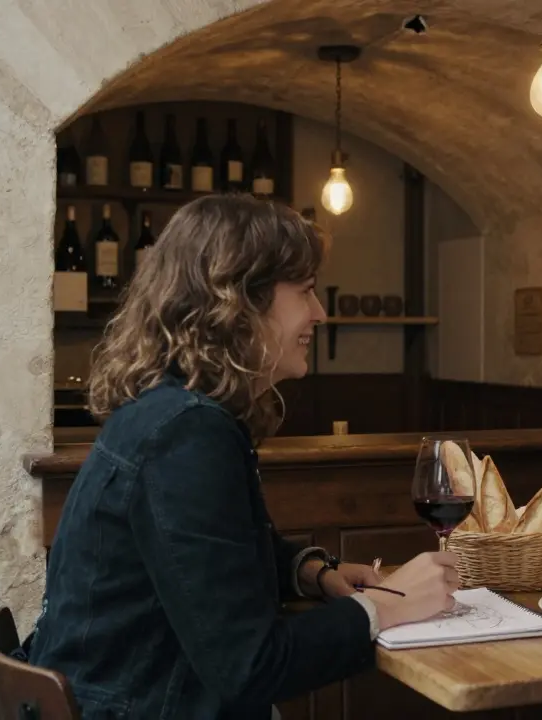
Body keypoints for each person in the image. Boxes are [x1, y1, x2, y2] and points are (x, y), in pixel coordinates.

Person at [25, 195, 459, 719]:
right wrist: (388, 606)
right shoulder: (187, 433)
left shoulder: (169, 410)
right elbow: (249, 667)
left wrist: (312, 571)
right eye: (305, 291)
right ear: (238, 303)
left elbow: (207, 559)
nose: (319, 313)